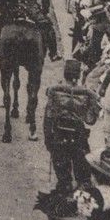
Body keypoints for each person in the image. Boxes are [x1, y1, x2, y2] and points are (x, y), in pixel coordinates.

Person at [41, 60, 99, 191]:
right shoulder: (87, 94)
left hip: (58, 135)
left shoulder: (54, 91)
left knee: (63, 177)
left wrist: (48, 139)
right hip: (78, 136)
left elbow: (48, 117)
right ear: (78, 75)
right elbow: (90, 120)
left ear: (64, 74)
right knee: (83, 176)